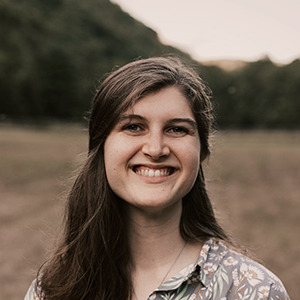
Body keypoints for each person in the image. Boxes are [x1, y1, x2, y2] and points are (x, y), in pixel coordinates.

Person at [25, 56, 290, 300]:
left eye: (176, 129)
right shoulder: (51, 290)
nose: (155, 149)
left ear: (202, 152)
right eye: (133, 127)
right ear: (101, 147)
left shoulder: (253, 291)